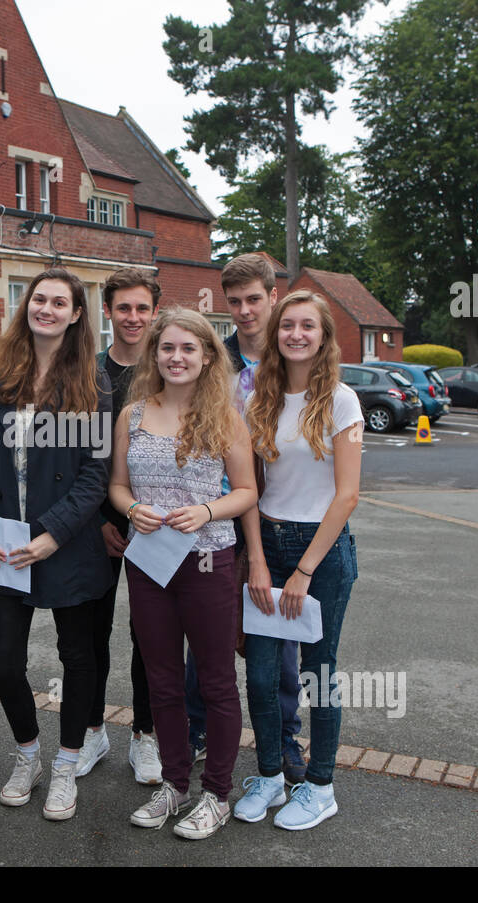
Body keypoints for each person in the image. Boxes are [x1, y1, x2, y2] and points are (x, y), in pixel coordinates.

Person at [108, 308, 257, 839]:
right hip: (149, 562)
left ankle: (217, 791)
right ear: (156, 355)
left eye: (188, 349)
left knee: (216, 681)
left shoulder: (225, 416)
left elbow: (246, 492)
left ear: (207, 356)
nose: (176, 357)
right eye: (167, 348)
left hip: (207, 560)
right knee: (162, 679)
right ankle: (174, 784)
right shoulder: (132, 415)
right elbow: (117, 487)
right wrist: (130, 510)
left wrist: (208, 511)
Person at [0, 267, 113, 821]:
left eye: (59, 302)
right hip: (4, 542)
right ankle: (28, 754)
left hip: (67, 545)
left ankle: (65, 766)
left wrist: (52, 534)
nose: (46, 309)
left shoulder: (93, 382)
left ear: (77, 315)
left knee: (79, 659)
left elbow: (94, 475)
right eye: (39, 299)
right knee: (5, 663)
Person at [235, 290, 362, 831]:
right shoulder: (255, 399)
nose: (296, 334)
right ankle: (268, 776)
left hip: (323, 553)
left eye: (308, 326)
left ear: (323, 335)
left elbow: (348, 494)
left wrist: (305, 569)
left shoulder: (342, 400)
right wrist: (259, 563)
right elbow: (249, 490)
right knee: (261, 677)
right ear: (275, 332)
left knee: (318, 674)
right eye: (288, 325)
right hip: (268, 542)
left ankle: (320, 786)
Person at [219, 252, 305, 783]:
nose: (245, 310)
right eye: (235, 301)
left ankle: (282, 740)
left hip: (281, 517)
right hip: (220, 515)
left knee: (277, 644)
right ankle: (202, 727)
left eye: (254, 298)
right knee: (209, 635)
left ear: (273, 296)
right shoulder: (216, 359)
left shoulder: (295, 356)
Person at [84, 268, 164, 785]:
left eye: (141, 308)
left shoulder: (172, 371)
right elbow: (69, 458)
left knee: (150, 637)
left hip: (158, 528)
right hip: (93, 526)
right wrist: (95, 522)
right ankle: (92, 730)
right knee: (90, 635)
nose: (132, 318)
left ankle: (146, 735)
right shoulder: (85, 374)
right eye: (123, 308)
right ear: (107, 311)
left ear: (154, 312)